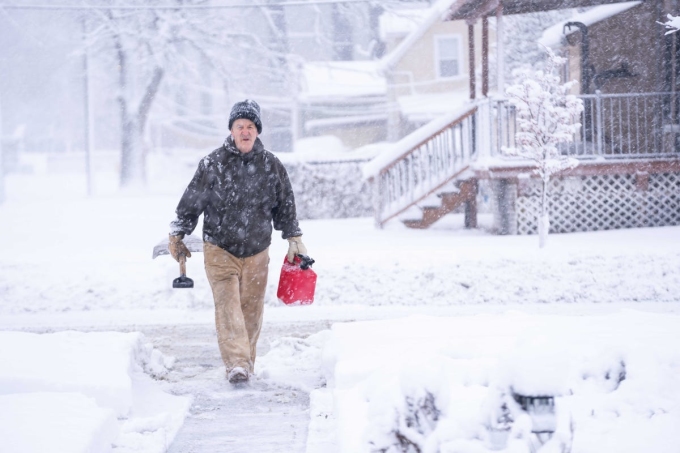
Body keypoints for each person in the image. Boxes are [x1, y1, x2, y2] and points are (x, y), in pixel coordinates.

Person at [167, 99, 308, 384]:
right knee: (228, 305)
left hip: (257, 249)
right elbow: (192, 201)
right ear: (231, 130)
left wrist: (293, 237)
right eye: (240, 126)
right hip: (220, 247)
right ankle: (237, 364)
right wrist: (178, 231)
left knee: (251, 309)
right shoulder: (212, 164)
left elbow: (285, 204)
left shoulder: (271, 166)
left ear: (258, 131)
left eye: (251, 126)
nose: (245, 131)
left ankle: (247, 362)